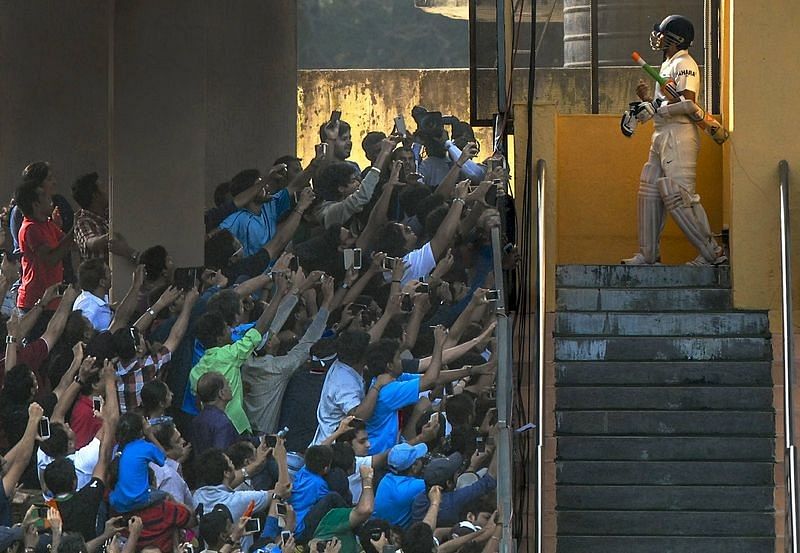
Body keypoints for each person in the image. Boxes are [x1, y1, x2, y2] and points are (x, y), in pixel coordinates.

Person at [621, 14, 726, 266]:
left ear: (675, 38)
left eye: (663, 34)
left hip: (679, 134)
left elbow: (687, 102)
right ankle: (648, 255)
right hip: (661, 133)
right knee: (649, 188)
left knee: (679, 194)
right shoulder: (667, 64)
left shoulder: (684, 63)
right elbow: (667, 101)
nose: (658, 38)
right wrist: (649, 100)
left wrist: (658, 109)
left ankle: (712, 254)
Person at [71, 172, 137, 263]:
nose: (107, 191)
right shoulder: (84, 221)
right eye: (102, 187)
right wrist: (110, 237)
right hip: (101, 275)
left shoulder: (110, 214)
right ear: (95, 195)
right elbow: (91, 242)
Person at [373, 443, 429, 528]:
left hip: (380, 529)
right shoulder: (415, 486)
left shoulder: (384, 479)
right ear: (414, 467)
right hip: (398, 536)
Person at [192, 373, 242, 455]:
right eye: (227, 384)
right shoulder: (222, 424)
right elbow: (220, 457)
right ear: (221, 393)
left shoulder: (196, 420)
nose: (230, 386)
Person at [72, 259, 113, 331]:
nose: (111, 275)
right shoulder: (90, 310)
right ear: (102, 282)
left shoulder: (90, 298)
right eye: (109, 273)